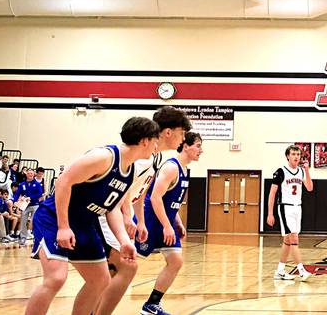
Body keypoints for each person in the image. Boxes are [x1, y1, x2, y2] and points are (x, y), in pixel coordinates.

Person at [25, 117, 160, 315]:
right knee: (56, 278)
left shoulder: (130, 171)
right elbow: (63, 181)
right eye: (155, 141)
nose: (156, 147)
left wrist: (123, 241)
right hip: (54, 218)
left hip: (84, 223)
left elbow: (111, 208)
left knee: (100, 280)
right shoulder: (104, 157)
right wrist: (63, 226)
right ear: (145, 141)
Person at [95, 106, 191, 315]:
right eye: (181, 134)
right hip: (106, 213)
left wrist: (140, 221)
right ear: (168, 132)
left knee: (111, 272)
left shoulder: (154, 157)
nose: (183, 139)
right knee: (122, 268)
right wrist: (128, 216)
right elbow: (121, 189)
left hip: (117, 213)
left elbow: (138, 191)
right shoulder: (143, 155)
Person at [137, 131, 202, 315]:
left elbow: (171, 202)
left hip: (166, 220)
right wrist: (167, 225)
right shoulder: (171, 167)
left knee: (175, 261)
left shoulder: (184, 169)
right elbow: (155, 198)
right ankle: (97, 301)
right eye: (198, 145)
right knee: (124, 265)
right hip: (150, 220)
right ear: (186, 146)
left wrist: (177, 221)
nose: (201, 150)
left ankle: (151, 305)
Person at [267, 145, 314, 282]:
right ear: (288, 156)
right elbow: (272, 193)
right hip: (285, 207)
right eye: (293, 154)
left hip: (297, 207)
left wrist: (307, 170)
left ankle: (280, 271)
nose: (296, 157)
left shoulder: (301, 171)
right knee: (293, 239)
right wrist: (270, 213)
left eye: (298, 154)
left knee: (288, 241)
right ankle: (301, 270)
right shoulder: (281, 171)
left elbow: (310, 188)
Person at [14, 167, 44, 245]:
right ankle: (23, 237)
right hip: (25, 205)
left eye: (31, 173)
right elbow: (17, 193)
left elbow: (40, 193)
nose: (30, 174)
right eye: (28, 173)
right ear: (26, 174)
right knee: (23, 220)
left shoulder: (37, 184)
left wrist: (31, 198)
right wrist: (14, 201)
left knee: (35, 220)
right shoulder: (22, 184)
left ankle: (36, 237)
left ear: (34, 175)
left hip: (35, 205)